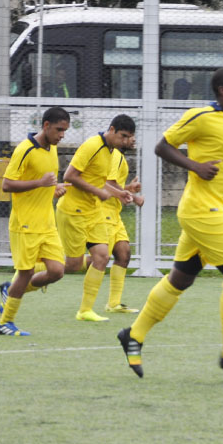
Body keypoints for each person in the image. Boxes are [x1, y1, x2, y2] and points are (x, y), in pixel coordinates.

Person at [117, 67, 223, 379]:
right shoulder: (201, 117)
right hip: (201, 210)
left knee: (180, 280)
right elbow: (163, 146)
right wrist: (194, 166)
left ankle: (133, 335)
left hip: (220, 212)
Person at [0, 107, 71, 336]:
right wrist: (40, 183)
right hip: (25, 224)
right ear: (46, 126)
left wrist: (54, 187)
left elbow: (45, 180)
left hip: (47, 223)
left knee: (57, 271)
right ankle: (4, 323)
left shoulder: (52, 148)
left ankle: (10, 290)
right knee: (26, 273)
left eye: (65, 131)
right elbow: (7, 184)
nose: (62, 135)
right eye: (59, 130)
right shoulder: (24, 150)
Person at [57, 115, 136, 322]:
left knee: (102, 256)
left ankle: (85, 311)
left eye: (128, 137)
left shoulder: (111, 151)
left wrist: (120, 193)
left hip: (93, 212)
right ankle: (33, 272)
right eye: (122, 136)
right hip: (73, 211)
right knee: (73, 265)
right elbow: (69, 176)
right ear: (111, 130)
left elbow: (100, 181)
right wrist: (98, 192)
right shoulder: (92, 145)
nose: (125, 140)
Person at [101, 133, 145, 313]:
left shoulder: (118, 156)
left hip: (114, 213)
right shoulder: (116, 156)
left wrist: (127, 188)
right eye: (129, 136)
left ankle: (114, 304)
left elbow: (111, 184)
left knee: (124, 254)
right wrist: (133, 197)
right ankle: (43, 268)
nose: (133, 140)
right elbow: (107, 182)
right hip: (104, 213)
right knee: (96, 259)